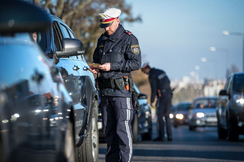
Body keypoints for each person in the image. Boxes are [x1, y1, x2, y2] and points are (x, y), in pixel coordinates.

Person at [89, 8, 141, 162]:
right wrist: (95, 67)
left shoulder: (129, 39)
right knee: (109, 133)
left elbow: (136, 63)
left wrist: (111, 66)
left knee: (123, 132)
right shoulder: (102, 39)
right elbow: (97, 59)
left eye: (109, 25)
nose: (107, 28)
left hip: (121, 92)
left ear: (117, 20)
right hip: (105, 92)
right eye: (104, 26)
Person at [141, 62, 173, 141]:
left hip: (162, 96)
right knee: (167, 116)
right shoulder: (161, 71)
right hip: (169, 94)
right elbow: (168, 82)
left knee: (160, 116)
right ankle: (170, 136)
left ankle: (161, 136)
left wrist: (152, 101)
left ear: (146, 69)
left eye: (144, 72)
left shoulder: (152, 75)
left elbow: (154, 88)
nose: (145, 73)